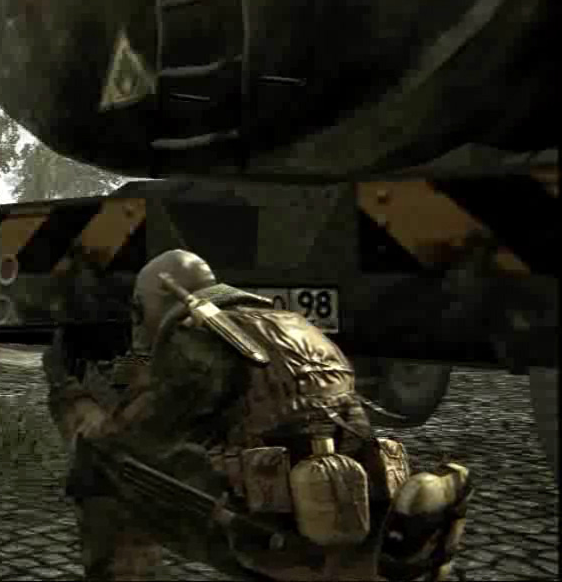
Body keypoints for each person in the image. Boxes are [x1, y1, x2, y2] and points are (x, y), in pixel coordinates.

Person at [43, 249, 472, 581]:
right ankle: (388, 548)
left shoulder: (195, 339)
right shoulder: (294, 324)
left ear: (157, 302)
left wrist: (67, 390)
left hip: (278, 540)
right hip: (356, 512)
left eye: (139, 312)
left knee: (101, 462)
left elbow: (127, 436)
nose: (138, 327)